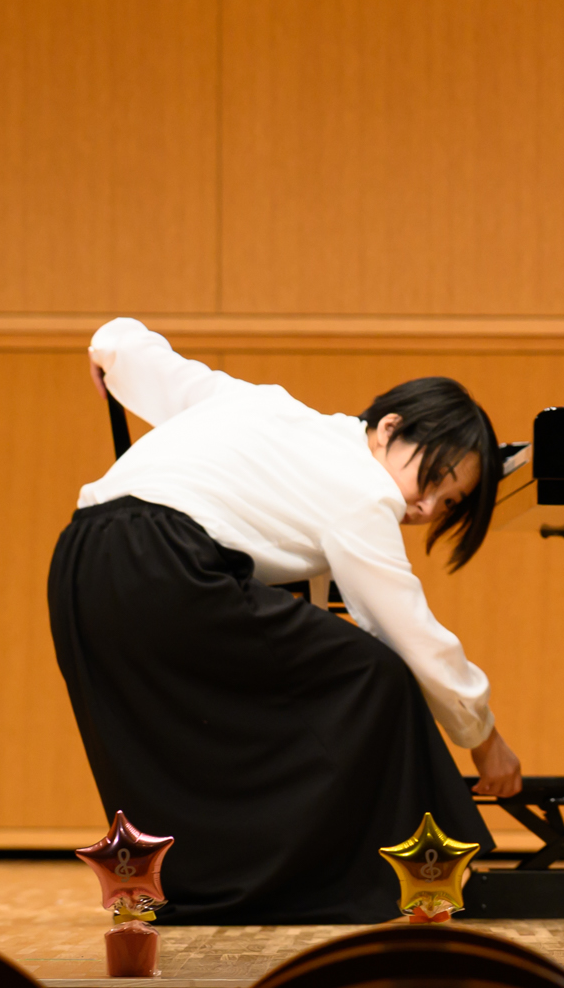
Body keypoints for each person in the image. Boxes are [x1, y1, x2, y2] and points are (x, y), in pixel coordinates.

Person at [47, 318, 520, 923]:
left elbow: (138, 352)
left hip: (81, 564)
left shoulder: (261, 406)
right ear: (390, 428)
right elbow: (408, 631)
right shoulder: (360, 486)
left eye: (447, 505)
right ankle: (379, 876)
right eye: (432, 480)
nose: (424, 507)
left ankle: (230, 881)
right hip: (168, 570)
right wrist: (484, 740)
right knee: (376, 675)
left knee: (206, 729)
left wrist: (108, 350)